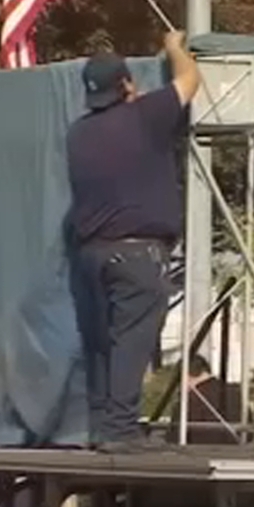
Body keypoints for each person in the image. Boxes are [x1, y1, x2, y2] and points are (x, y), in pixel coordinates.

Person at [67, 31, 201, 453]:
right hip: (137, 252)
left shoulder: (79, 134)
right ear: (126, 83)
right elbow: (190, 80)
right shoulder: (145, 116)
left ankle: (100, 426)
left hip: (90, 254)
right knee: (131, 339)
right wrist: (174, 47)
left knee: (102, 343)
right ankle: (121, 430)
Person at [182, 354, 241, 445]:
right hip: (237, 451)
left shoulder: (189, 401)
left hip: (199, 451)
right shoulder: (235, 393)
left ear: (186, 376)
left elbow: (174, 436)